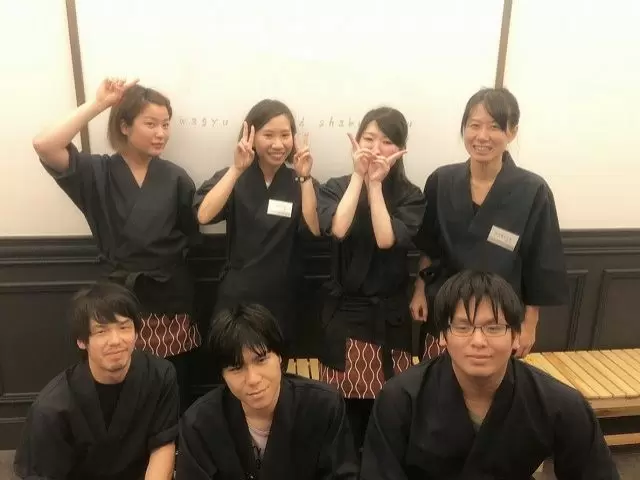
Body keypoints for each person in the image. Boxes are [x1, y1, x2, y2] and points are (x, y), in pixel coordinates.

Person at [33, 77, 201, 408]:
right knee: (120, 385)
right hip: (118, 298)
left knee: (172, 385)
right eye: (150, 124)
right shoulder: (96, 172)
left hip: (171, 299)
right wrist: (100, 104)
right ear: (124, 126)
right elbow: (45, 145)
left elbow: (191, 237)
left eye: (166, 124)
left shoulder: (177, 177)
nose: (161, 133)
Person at [361, 270, 619, 479]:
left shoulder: (559, 403)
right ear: (442, 335)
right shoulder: (400, 398)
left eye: (494, 328)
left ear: (516, 336)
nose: (478, 341)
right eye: (463, 327)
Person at [411, 87, 568, 360]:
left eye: (494, 127)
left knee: (489, 384)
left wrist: (530, 324)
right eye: (474, 125)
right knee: (437, 380)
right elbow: (428, 246)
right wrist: (419, 290)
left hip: (500, 318)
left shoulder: (533, 190)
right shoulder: (441, 181)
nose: (482, 136)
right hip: (445, 312)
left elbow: (539, 263)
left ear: (512, 132)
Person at [316, 107, 425, 453]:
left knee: (388, 413)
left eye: (387, 141)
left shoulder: (410, 195)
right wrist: (358, 177)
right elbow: (338, 228)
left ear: (401, 149)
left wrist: (375, 184)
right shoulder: (335, 187)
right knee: (342, 416)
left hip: (389, 320)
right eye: (369, 138)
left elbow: (385, 238)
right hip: (343, 318)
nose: (376, 148)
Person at [14, 282, 179, 480]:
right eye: (101, 331)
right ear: (81, 341)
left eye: (124, 327)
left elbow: (162, 445)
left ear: (136, 332)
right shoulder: (52, 408)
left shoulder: (160, 375)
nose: (116, 340)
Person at [175, 303, 358, 479]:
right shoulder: (199, 424)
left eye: (261, 360)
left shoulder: (323, 407)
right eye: (236, 368)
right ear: (222, 375)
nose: (253, 379)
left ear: (279, 357)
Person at [194, 99, 320, 343]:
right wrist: (236, 169)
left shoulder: (299, 181)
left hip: (282, 296)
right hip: (237, 297)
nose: (278, 144)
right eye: (268, 135)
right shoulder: (234, 176)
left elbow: (314, 228)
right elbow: (204, 215)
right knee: (234, 358)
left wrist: (305, 178)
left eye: (285, 135)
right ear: (251, 136)